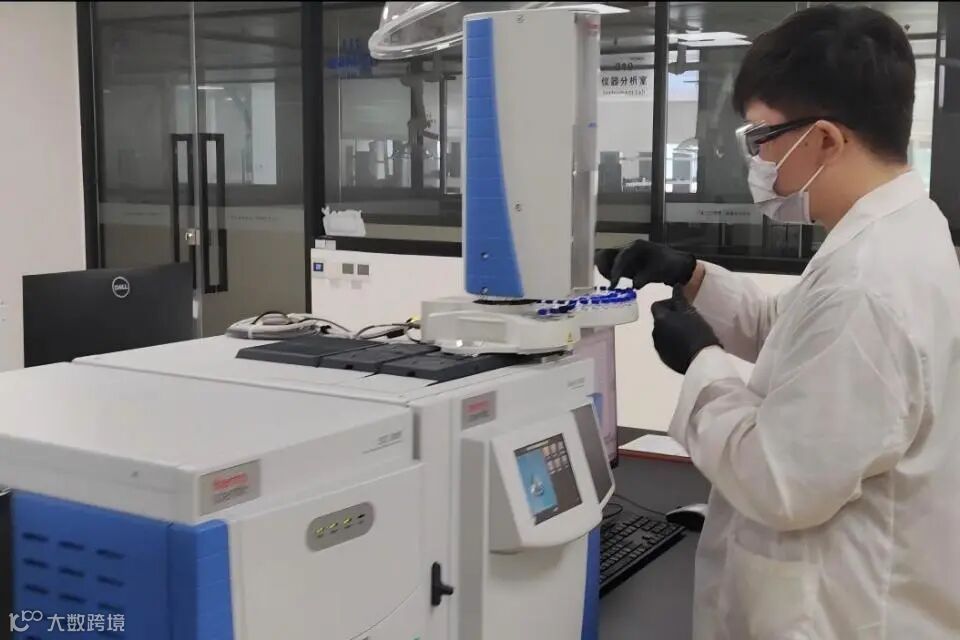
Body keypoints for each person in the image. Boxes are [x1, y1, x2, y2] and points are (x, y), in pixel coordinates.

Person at [597, 5, 960, 639]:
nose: (756, 158)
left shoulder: (869, 282)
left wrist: (701, 363)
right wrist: (691, 274)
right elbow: (793, 331)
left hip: (837, 615)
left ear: (825, 139)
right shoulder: (898, 233)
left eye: (762, 136)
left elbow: (779, 481)